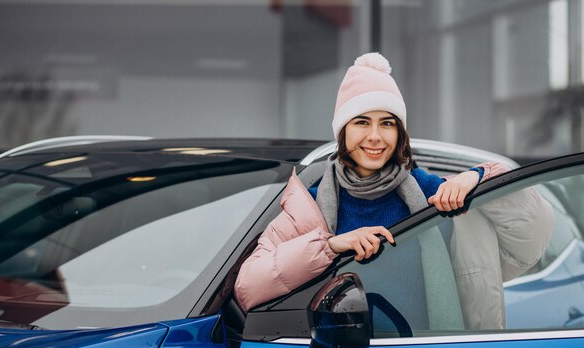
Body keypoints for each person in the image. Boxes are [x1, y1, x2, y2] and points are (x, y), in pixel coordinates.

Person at [234, 53, 553, 330]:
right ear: (342, 131)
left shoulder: (436, 194)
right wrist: (329, 246)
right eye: (361, 122)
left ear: (399, 133)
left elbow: (532, 237)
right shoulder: (309, 208)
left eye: (387, 123)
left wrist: (479, 178)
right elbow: (248, 288)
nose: (375, 136)